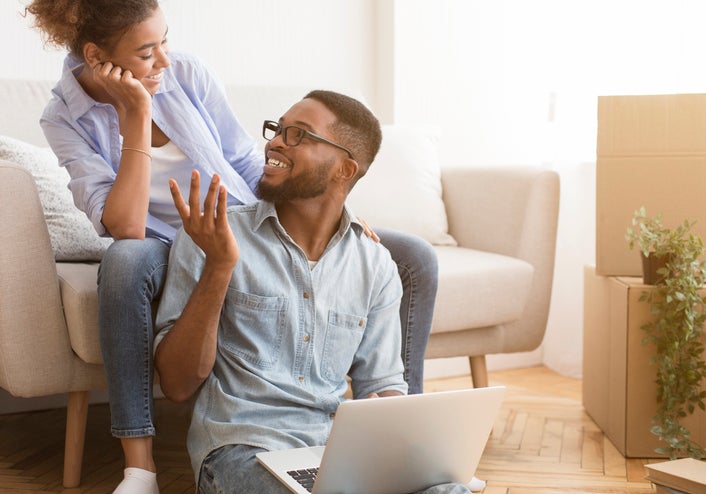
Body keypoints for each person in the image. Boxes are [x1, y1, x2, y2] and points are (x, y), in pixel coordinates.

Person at [24, 1, 438, 493]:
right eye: (147, 51)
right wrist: (136, 111)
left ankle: (402, 426)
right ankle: (140, 466)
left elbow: (243, 157)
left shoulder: (188, 74)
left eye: (165, 41)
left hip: (237, 219)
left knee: (411, 255)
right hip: (159, 240)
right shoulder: (64, 118)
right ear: (97, 57)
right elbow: (125, 225)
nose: (164, 61)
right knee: (124, 261)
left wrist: (313, 214)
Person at [154, 90, 469, 494]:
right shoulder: (211, 237)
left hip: (338, 454)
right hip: (243, 451)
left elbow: (382, 383)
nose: (276, 142)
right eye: (278, 130)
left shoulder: (374, 265)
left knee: (450, 491)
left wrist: (396, 434)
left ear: (344, 169)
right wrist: (219, 268)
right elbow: (177, 385)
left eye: (299, 135)